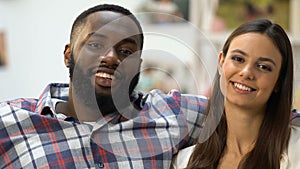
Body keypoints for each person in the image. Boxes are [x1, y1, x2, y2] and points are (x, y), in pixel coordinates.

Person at [0, 4, 208, 169]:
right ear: (68, 55)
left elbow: (233, 105)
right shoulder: (9, 121)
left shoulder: (169, 112)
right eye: (95, 45)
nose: (111, 58)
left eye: (126, 51)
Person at [172, 19, 300, 169]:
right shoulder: (184, 162)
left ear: (279, 81)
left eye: (263, 67)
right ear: (221, 62)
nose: (246, 73)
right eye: (238, 59)